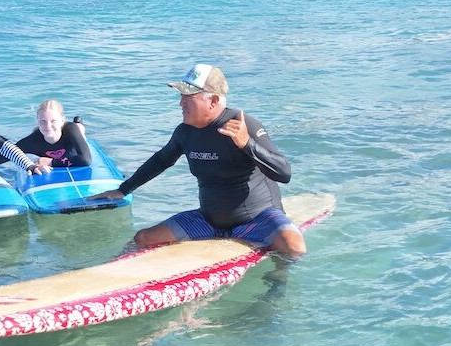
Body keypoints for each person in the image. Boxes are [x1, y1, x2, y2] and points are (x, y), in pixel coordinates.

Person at [92, 64, 306, 259]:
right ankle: (110, 273)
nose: (181, 103)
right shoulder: (185, 132)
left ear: (213, 100)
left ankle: (275, 287)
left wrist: (246, 144)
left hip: (258, 221)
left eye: (189, 96)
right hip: (208, 222)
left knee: (294, 246)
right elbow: (160, 160)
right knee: (143, 238)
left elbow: (284, 173)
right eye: (181, 96)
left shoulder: (242, 125)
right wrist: (123, 190)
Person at [0, 99, 92, 173]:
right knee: (42, 132)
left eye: (53, 121)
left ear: (62, 120)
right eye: (43, 121)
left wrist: (51, 162)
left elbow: (86, 160)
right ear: (37, 121)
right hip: (42, 135)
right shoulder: (33, 140)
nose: (48, 125)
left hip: (71, 131)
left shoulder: (71, 130)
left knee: (79, 129)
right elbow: (6, 154)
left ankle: (79, 124)